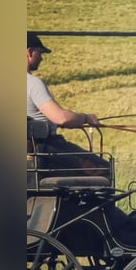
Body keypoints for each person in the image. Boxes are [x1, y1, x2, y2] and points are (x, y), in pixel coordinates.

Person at [27, 31, 109, 175]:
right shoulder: (32, 83)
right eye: (40, 53)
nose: (41, 58)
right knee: (102, 168)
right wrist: (86, 118)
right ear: (30, 52)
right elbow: (61, 118)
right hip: (43, 150)